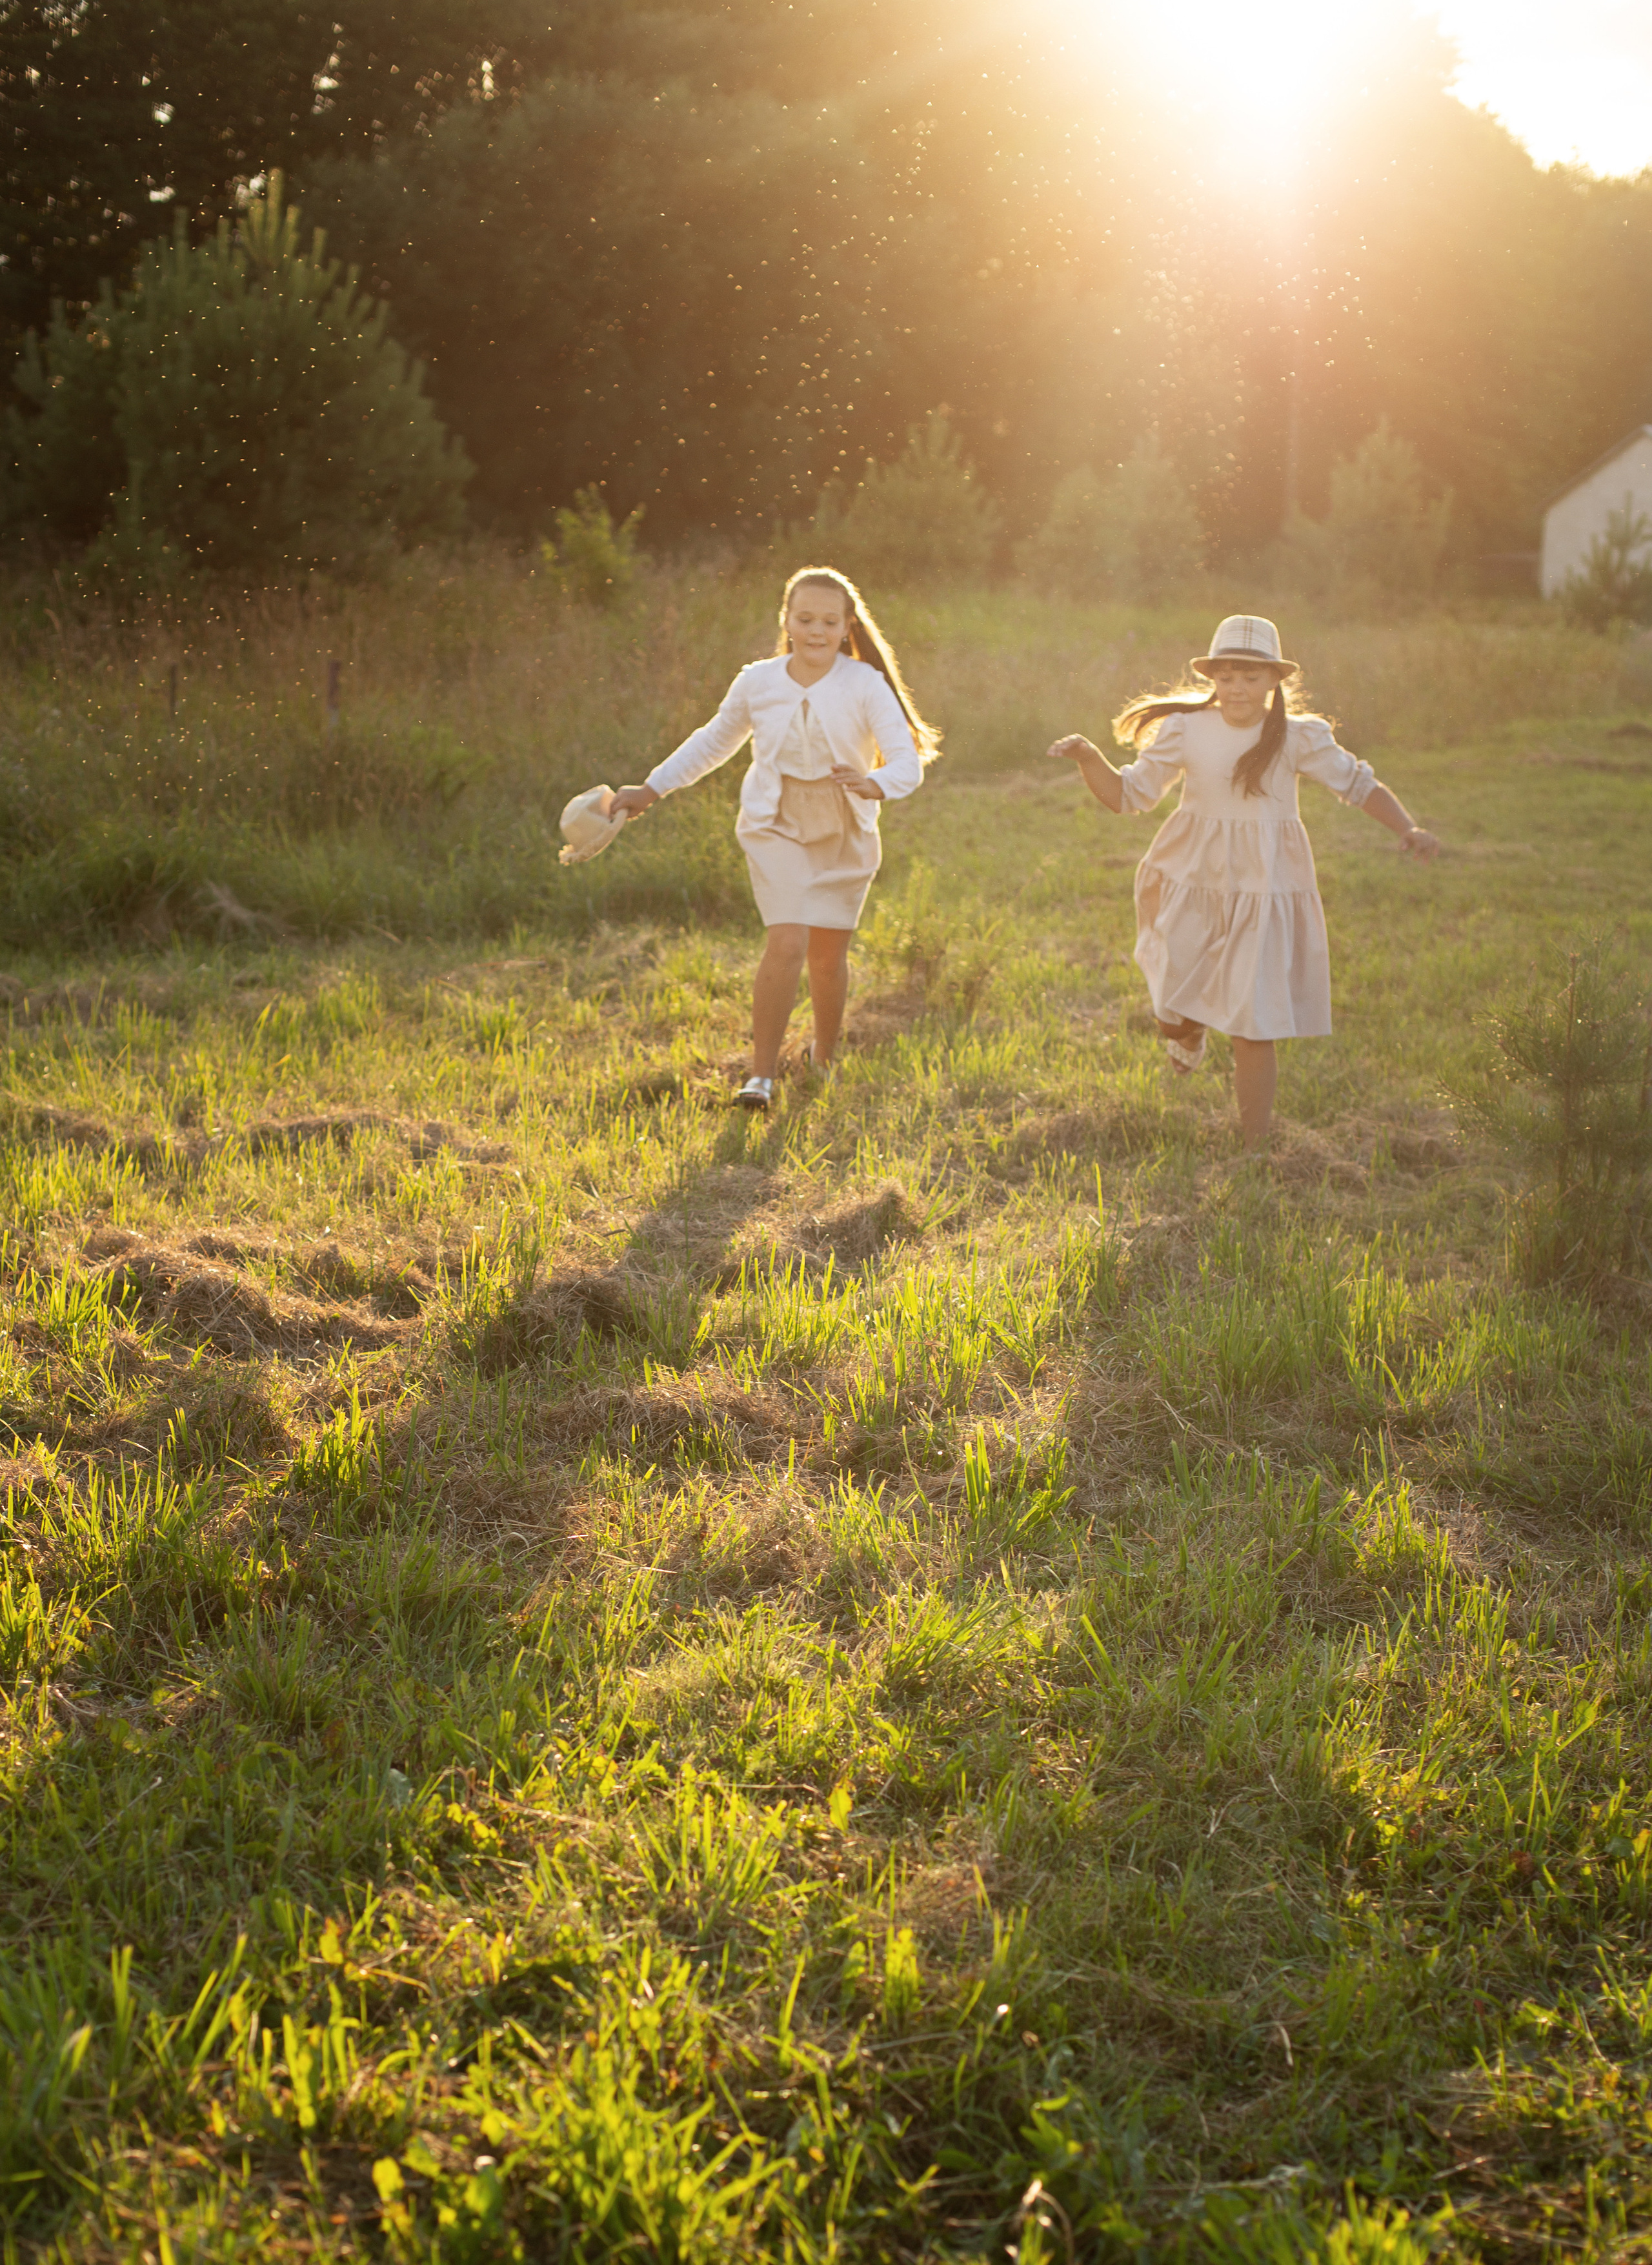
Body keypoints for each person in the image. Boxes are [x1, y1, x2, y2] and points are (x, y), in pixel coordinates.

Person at [1048, 614, 1439, 1153]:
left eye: (1251, 677)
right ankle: (1186, 1029)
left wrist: (1407, 828)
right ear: (1212, 678)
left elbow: (1357, 785)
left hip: (1264, 888)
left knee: (1253, 1024)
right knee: (1172, 997)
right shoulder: (1187, 729)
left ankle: (1255, 1150)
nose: (1237, 689)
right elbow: (1128, 796)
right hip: (1192, 876)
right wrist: (1090, 758)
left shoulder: (1298, 737)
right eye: (1227, 677)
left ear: (1275, 680)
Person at [610, 567, 940, 1109]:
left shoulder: (864, 683)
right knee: (787, 941)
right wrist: (651, 788)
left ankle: (822, 1060)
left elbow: (906, 760)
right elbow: (713, 741)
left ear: (847, 626)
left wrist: (876, 783)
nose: (816, 631)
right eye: (805, 619)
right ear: (786, 620)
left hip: (845, 828)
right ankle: (760, 1077)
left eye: (828, 621)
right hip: (775, 823)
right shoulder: (758, 682)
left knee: (828, 958)